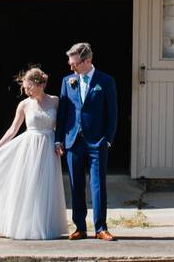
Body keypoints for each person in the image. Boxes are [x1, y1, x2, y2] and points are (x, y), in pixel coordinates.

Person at [0, 67, 69, 240]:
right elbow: (12, 130)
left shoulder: (55, 101)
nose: (26, 91)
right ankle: (23, 225)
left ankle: (44, 226)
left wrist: (59, 143)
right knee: (27, 186)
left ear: (39, 84)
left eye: (28, 87)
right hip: (29, 148)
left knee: (45, 187)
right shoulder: (24, 105)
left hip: (48, 148)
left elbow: (61, 127)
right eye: (24, 88)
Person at [55, 42, 118, 241]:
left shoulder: (105, 81)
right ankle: (80, 227)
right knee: (76, 185)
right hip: (73, 141)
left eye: (74, 64)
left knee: (98, 185)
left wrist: (107, 138)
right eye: (70, 63)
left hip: (97, 141)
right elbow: (63, 114)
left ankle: (101, 228)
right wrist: (59, 141)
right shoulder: (67, 81)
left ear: (87, 61)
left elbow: (112, 112)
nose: (71, 67)